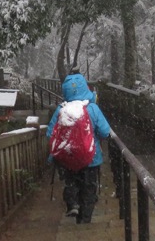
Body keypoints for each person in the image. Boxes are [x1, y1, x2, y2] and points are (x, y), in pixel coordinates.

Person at [46, 71, 111, 224]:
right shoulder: (92, 108)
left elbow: (50, 134)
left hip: (67, 158)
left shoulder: (61, 109)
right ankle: (85, 218)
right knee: (88, 188)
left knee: (71, 182)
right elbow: (105, 131)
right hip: (91, 158)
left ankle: (72, 203)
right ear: (85, 88)